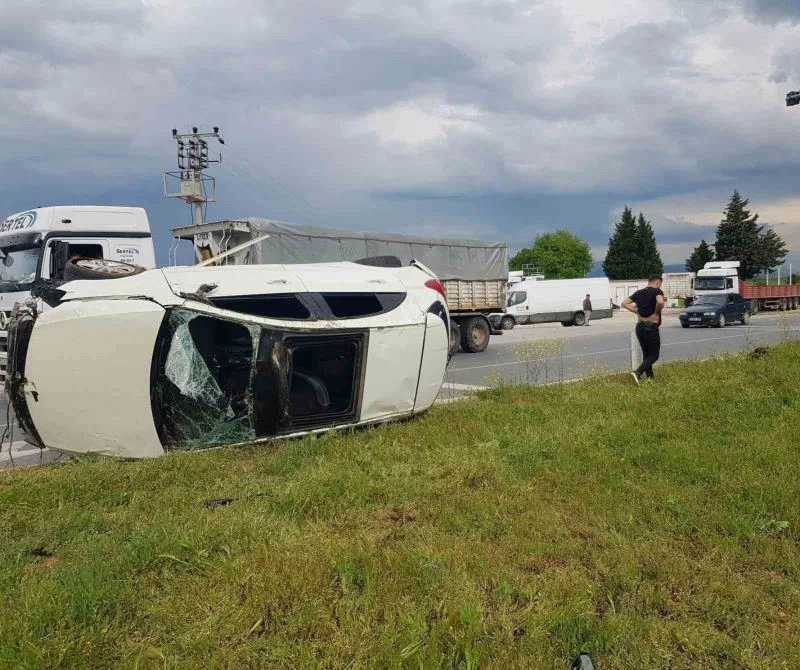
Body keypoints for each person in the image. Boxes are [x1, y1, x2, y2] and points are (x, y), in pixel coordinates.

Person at [622, 275, 664, 385]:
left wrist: (637, 312)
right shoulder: (657, 291)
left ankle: (650, 379)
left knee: (647, 354)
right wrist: (656, 312)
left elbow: (624, 303)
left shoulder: (638, 292)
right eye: (660, 284)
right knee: (654, 355)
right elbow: (660, 302)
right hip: (651, 327)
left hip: (639, 327)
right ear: (657, 283)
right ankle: (637, 372)